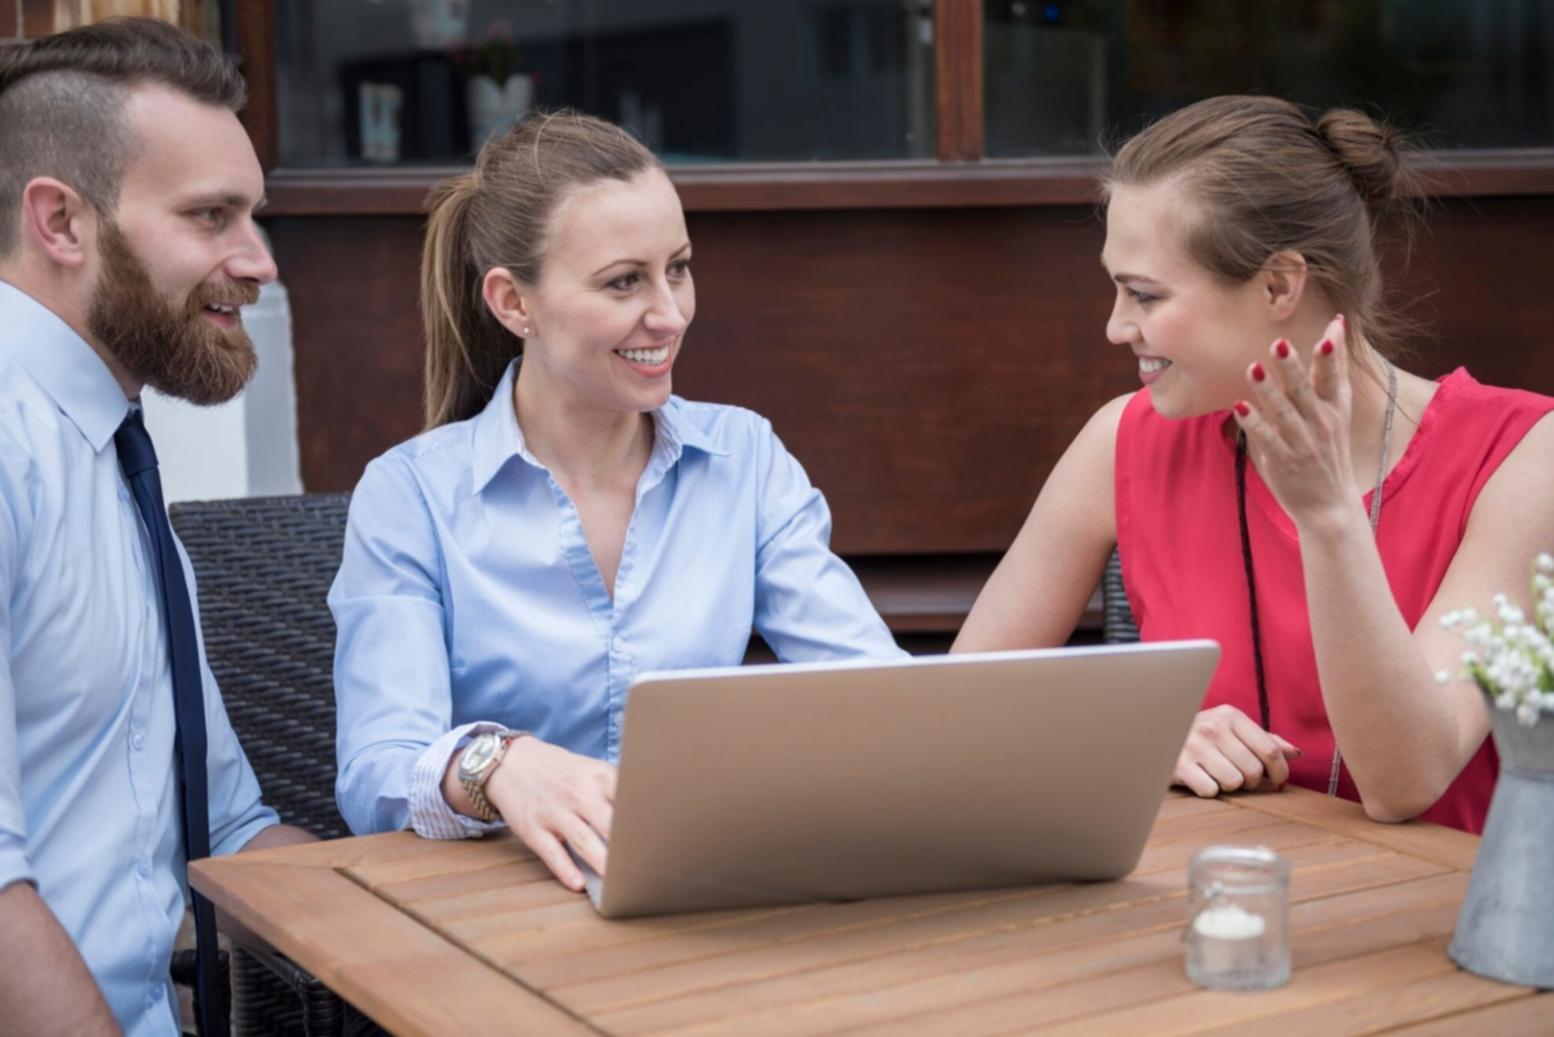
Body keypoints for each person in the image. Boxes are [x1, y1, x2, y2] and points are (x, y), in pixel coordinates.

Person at [331, 111, 904, 891]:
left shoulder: (744, 459)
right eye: (623, 281)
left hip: (703, 891)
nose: (669, 314)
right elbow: (376, 774)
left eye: (679, 267)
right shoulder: (410, 495)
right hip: (497, 914)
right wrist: (502, 764)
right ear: (513, 302)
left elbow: (874, 691)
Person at [954, 95, 1554, 834]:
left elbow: (1407, 780)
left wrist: (1328, 514)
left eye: (1144, 293)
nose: (1116, 327)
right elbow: (960, 706)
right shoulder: (1123, 441)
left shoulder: (1524, 456)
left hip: (1436, 926)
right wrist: (1138, 730)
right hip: (1204, 909)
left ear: (1279, 285)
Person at [0, 19, 314, 1037]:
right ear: (61, 222)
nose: (258, 262)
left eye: (252, 216)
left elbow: (229, 830)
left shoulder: (109, 449)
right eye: (211, 216)